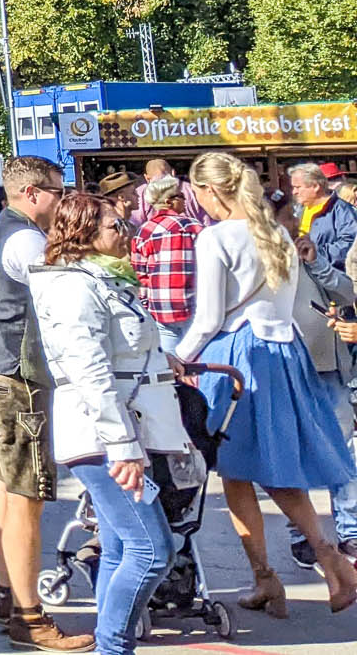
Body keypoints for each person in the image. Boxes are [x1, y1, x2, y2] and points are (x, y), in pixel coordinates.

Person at [175, 151, 357, 615]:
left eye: (197, 193)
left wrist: (176, 357)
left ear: (211, 191)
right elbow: (290, 301)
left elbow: (211, 318)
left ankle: (267, 577)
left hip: (238, 355)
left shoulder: (215, 237)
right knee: (275, 466)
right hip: (284, 352)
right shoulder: (277, 233)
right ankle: (328, 557)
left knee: (236, 471)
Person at [26, 192, 192, 655]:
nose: (127, 233)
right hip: (102, 437)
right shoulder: (73, 286)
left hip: (121, 429)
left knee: (121, 547)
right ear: (84, 235)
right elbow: (89, 370)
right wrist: (122, 446)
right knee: (153, 550)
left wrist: (164, 358)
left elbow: (123, 347)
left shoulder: (105, 279)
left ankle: (113, 645)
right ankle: (113, 648)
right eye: (115, 226)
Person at [0, 155, 90, 650]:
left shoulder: (3, 230)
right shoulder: (29, 240)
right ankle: (29, 619)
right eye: (59, 190)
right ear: (32, 193)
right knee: (25, 498)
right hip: (11, 375)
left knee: (7, 493)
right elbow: (66, 305)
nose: (65, 199)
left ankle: (9, 596)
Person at [276, 194, 357, 567]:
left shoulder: (309, 258)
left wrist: (317, 262)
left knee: (342, 453)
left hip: (328, 368)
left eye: (293, 219)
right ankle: (303, 535)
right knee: (294, 454)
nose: (293, 225)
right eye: (286, 219)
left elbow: (346, 292)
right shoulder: (258, 264)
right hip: (286, 372)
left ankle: (351, 532)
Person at [130, 174, 200, 352]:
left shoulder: (143, 232)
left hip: (161, 310)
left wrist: (146, 307)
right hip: (196, 307)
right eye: (181, 197)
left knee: (171, 368)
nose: (185, 201)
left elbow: (140, 276)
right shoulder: (194, 227)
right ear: (170, 201)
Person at [292, 161, 357, 272]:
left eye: (298, 187)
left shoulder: (343, 211)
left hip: (330, 280)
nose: (294, 192)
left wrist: (315, 252)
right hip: (303, 276)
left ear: (316, 187)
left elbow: (350, 247)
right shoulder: (299, 210)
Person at [95, 171, 139, 236]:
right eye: (133, 193)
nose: (138, 195)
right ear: (122, 197)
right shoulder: (111, 229)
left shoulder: (130, 227)